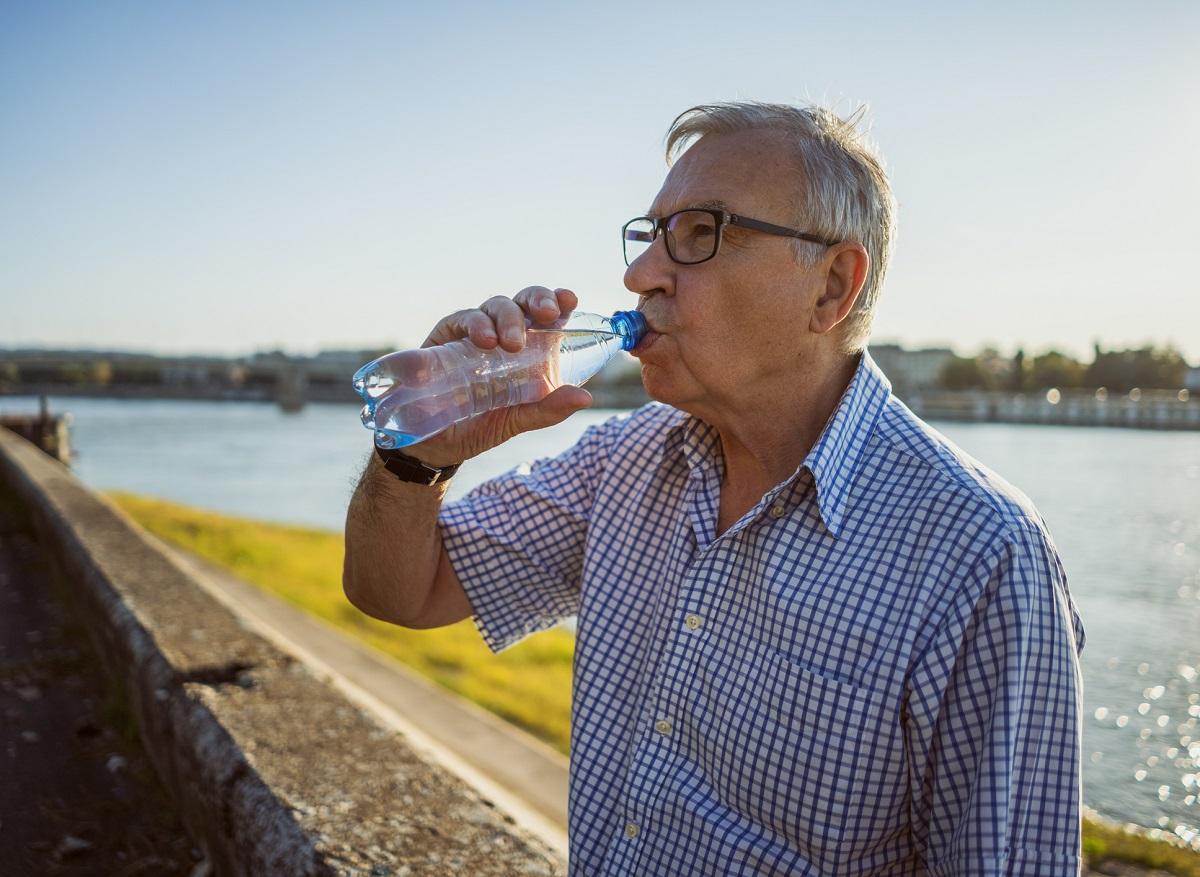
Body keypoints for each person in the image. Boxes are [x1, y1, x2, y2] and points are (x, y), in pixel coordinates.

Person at [343, 102, 1085, 876]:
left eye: (701, 232)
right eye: (650, 235)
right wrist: (416, 454)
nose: (637, 276)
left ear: (832, 286)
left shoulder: (981, 555)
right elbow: (397, 591)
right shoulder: (628, 459)